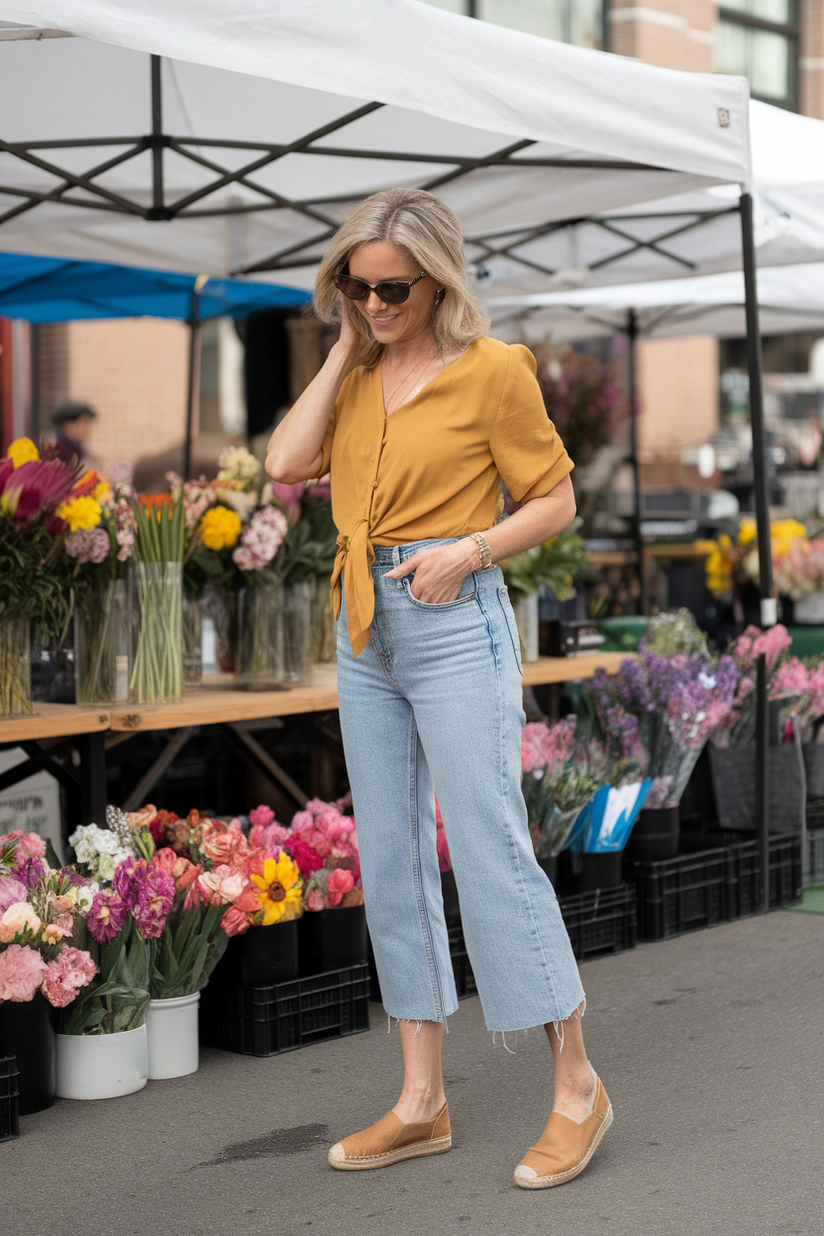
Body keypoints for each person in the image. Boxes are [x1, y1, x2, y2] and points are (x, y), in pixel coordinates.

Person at [265, 187, 612, 1190]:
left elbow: (554, 498)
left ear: (436, 281)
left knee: (490, 842)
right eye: (354, 285)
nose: (373, 301)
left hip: (455, 615)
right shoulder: (358, 371)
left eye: (390, 288)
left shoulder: (493, 373)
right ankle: (421, 1101)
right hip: (362, 622)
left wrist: (471, 549)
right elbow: (288, 464)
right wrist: (341, 343)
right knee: (389, 851)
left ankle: (575, 1088)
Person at [51, 400, 97, 464]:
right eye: (83, 423)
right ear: (69, 425)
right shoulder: (61, 453)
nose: (86, 429)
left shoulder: (76, 450)